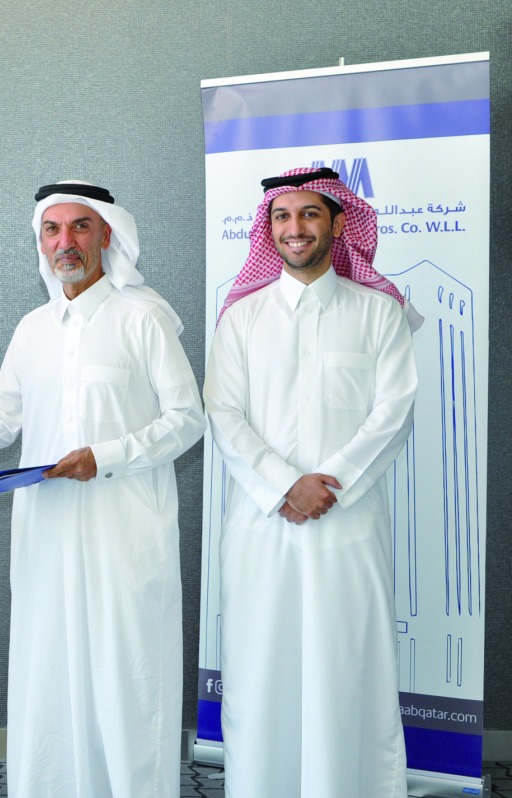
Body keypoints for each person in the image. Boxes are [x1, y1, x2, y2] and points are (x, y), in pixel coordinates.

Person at [0, 180, 204, 797]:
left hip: (125, 530)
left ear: (107, 236)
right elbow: (1, 421)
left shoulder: (144, 317)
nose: (66, 242)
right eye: (53, 230)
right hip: (46, 534)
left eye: (80, 228)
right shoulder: (33, 327)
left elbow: (186, 418)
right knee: (50, 669)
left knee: (126, 674)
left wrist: (104, 457)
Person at [204, 166, 418, 797]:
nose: (294, 229)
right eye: (281, 217)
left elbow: (395, 411)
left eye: (309, 215)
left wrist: (331, 485)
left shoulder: (379, 314)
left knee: (346, 673)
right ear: (268, 230)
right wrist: (284, 486)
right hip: (260, 527)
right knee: (262, 675)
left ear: (338, 223)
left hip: (347, 531)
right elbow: (223, 413)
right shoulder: (241, 320)